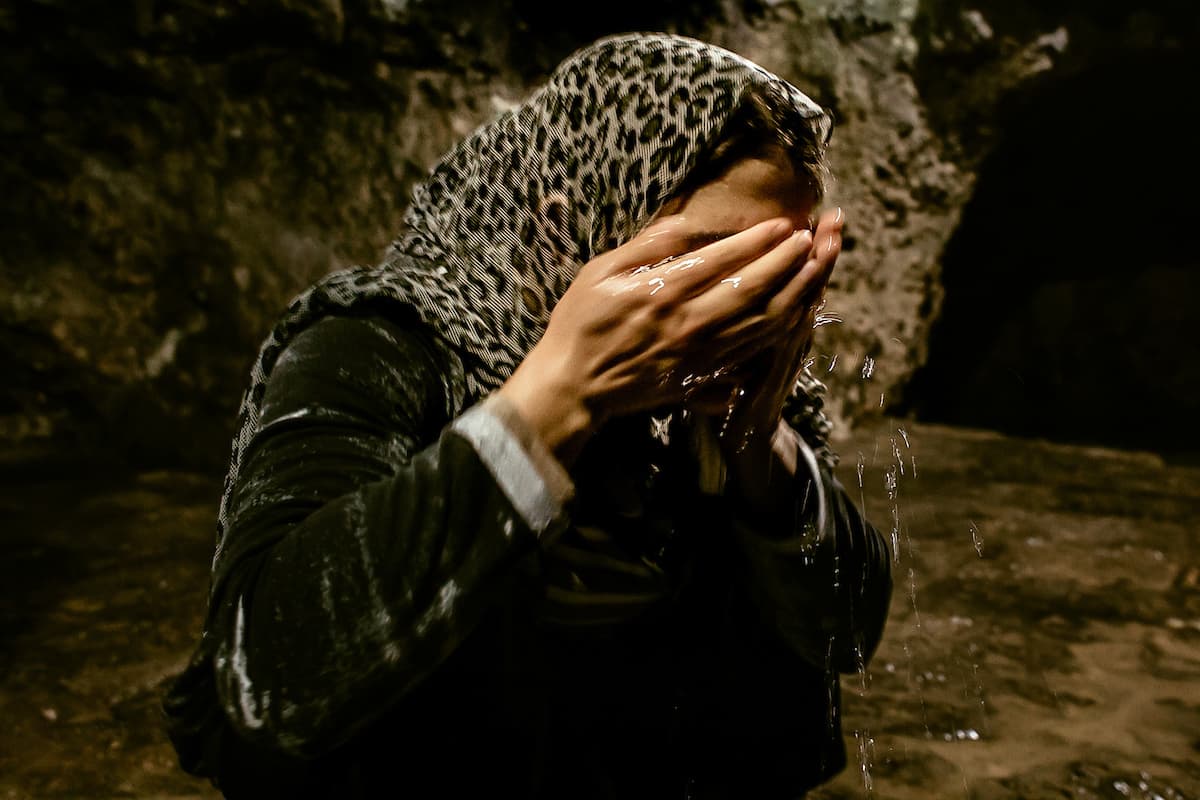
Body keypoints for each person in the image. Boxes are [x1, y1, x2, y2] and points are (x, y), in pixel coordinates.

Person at [163, 32, 892, 799]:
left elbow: (845, 634)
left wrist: (759, 447)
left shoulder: (741, 379)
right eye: (713, 260)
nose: (750, 304)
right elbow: (267, 675)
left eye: (783, 268)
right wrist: (560, 399)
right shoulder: (386, 342)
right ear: (562, 229)